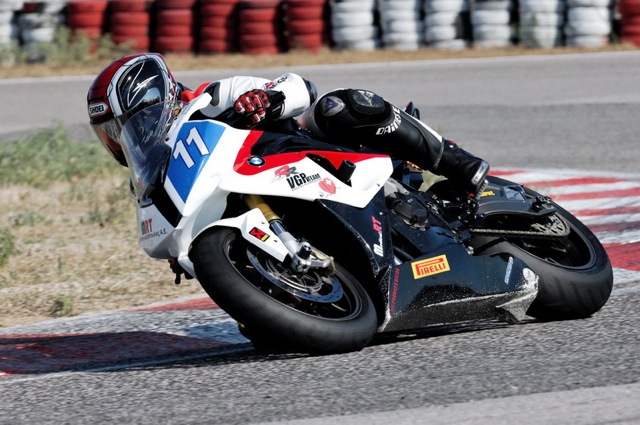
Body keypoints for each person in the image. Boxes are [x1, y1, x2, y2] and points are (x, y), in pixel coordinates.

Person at [87, 53, 489, 195]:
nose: (122, 140)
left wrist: (267, 99)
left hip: (316, 159)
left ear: (158, 100)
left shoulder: (210, 98)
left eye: (125, 126)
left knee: (338, 105)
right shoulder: (154, 177)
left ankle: (456, 161)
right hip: (262, 201)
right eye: (111, 134)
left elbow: (300, 87)